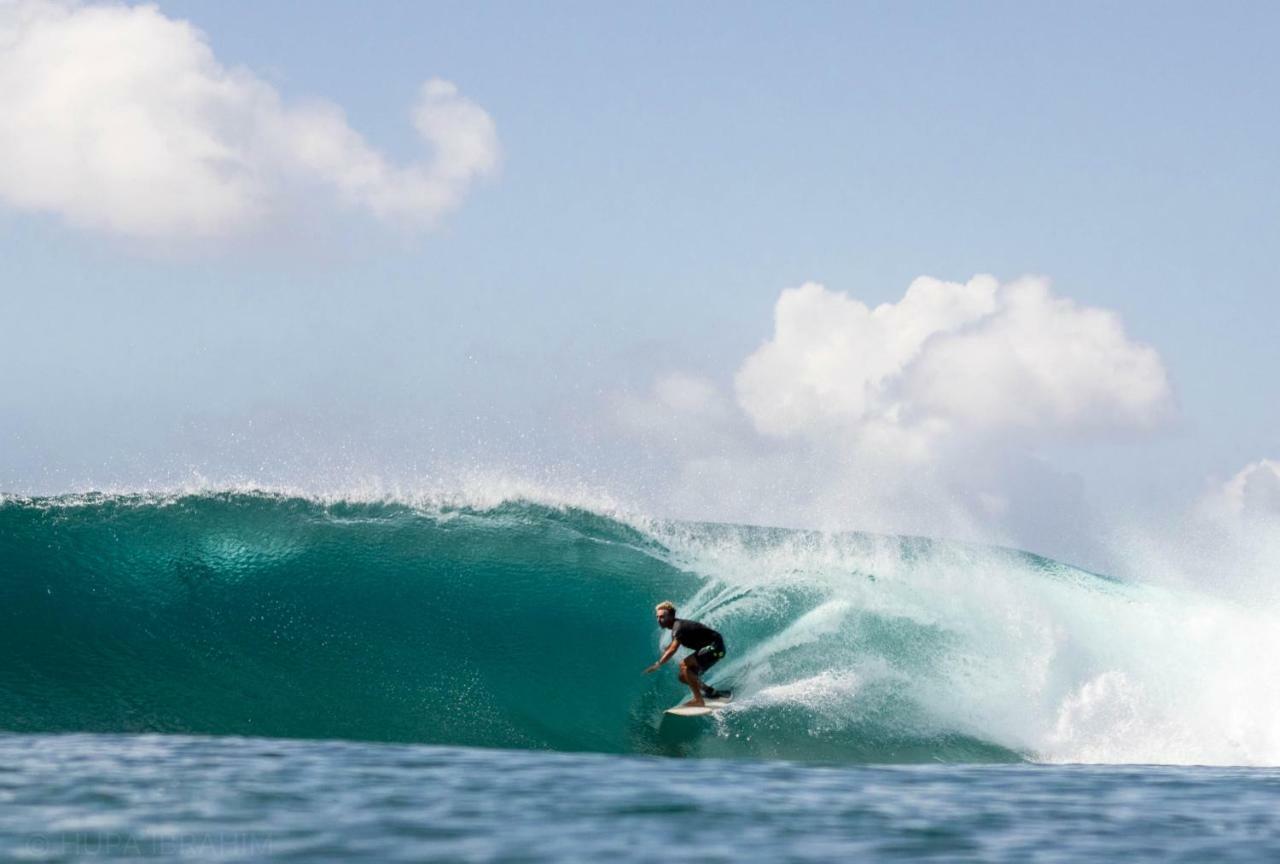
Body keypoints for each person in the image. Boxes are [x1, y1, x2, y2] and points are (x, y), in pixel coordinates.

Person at [643, 601, 729, 707]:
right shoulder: (676, 628)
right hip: (710, 650)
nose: (659, 620)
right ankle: (710, 691)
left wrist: (658, 664)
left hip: (716, 648)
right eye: (657, 617)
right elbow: (672, 646)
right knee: (683, 676)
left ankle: (698, 700)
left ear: (671, 616)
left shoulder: (678, 627)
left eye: (662, 617)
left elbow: (673, 649)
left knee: (683, 665)